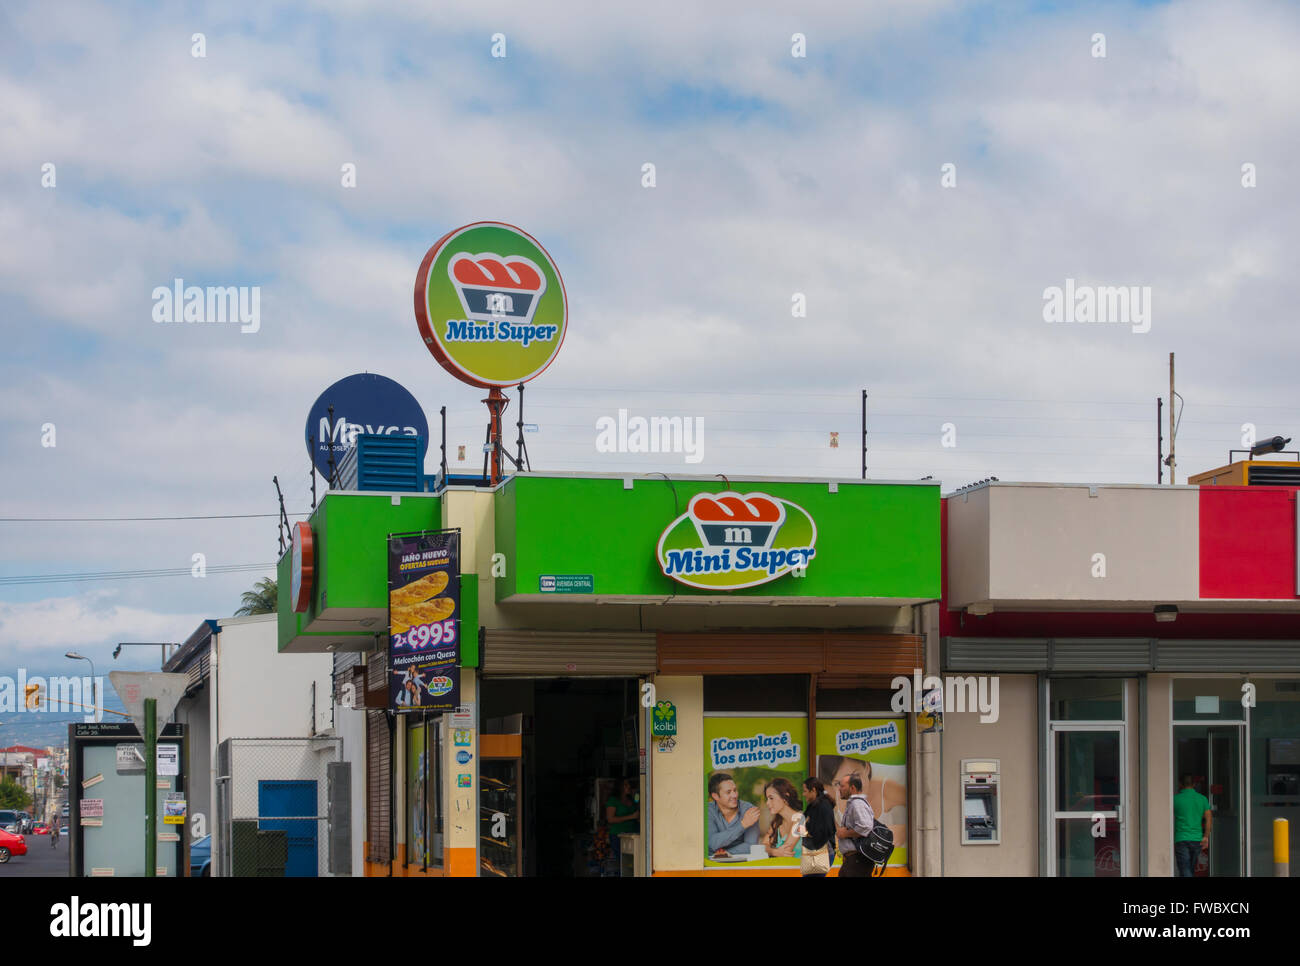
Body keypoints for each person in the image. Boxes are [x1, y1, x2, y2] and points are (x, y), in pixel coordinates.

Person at [707, 772, 760, 856]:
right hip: (713, 863)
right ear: (715, 796)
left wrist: (726, 853)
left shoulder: (749, 810)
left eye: (735, 790)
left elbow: (751, 845)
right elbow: (712, 843)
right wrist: (743, 825)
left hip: (741, 862)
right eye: (728, 792)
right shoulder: (708, 810)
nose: (734, 795)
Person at [836, 773, 877, 877]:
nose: (839, 789)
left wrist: (845, 833)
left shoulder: (857, 804)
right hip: (855, 861)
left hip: (857, 861)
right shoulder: (855, 803)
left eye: (842, 786)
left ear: (852, 788)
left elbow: (865, 827)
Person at [1173, 774, 1211, 877]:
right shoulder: (1202, 799)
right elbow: (1208, 819)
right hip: (1197, 839)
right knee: (1189, 869)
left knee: (1185, 869)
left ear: (1180, 784)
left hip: (1181, 838)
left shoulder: (1175, 799)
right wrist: (1206, 836)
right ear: (1194, 784)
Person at [800, 777, 836, 877]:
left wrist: (807, 832)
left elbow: (825, 830)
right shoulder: (813, 806)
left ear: (814, 790)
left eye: (805, 791)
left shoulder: (823, 806)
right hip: (814, 853)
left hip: (821, 854)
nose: (803, 794)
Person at [762, 778, 804, 860]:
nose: (767, 803)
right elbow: (762, 846)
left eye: (771, 798)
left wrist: (770, 850)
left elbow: (786, 851)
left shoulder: (800, 819)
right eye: (767, 799)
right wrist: (774, 852)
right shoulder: (777, 822)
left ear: (785, 796)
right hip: (784, 870)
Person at [606, 777, 640, 865]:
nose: (628, 786)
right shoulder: (613, 800)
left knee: (635, 863)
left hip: (633, 835)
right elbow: (610, 819)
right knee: (625, 864)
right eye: (625, 785)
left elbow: (637, 809)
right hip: (618, 836)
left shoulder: (632, 799)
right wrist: (631, 817)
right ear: (620, 787)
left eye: (628, 784)